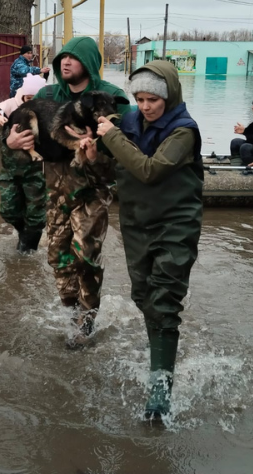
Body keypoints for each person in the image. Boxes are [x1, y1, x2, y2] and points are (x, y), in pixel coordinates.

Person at [85, 60, 203, 420]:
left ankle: (160, 389)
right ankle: (160, 351)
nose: (146, 106)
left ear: (168, 95)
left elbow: (149, 171)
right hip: (136, 224)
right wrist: (94, 154)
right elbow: (110, 163)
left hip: (176, 225)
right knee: (143, 296)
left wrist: (111, 136)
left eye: (153, 99)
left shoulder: (184, 132)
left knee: (165, 301)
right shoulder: (128, 122)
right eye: (139, 98)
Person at [6, 36, 132, 348]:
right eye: (62, 57)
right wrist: (12, 142)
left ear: (88, 63)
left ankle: (86, 320)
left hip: (92, 189)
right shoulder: (49, 93)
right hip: (56, 189)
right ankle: (70, 310)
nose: (65, 62)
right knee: (57, 257)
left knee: (85, 255)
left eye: (73, 58)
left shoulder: (111, 97)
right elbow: (16, 128)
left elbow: (130, 143)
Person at [0, 75, 48, 254]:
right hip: (10, 170)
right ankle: (24, 234)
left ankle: (27, 250)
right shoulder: (11, 104)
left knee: (36, 215)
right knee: (8, 210)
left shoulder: (45, 107)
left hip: (36, 171)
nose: (32, 103)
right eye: (29, 98)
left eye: (36, 99)